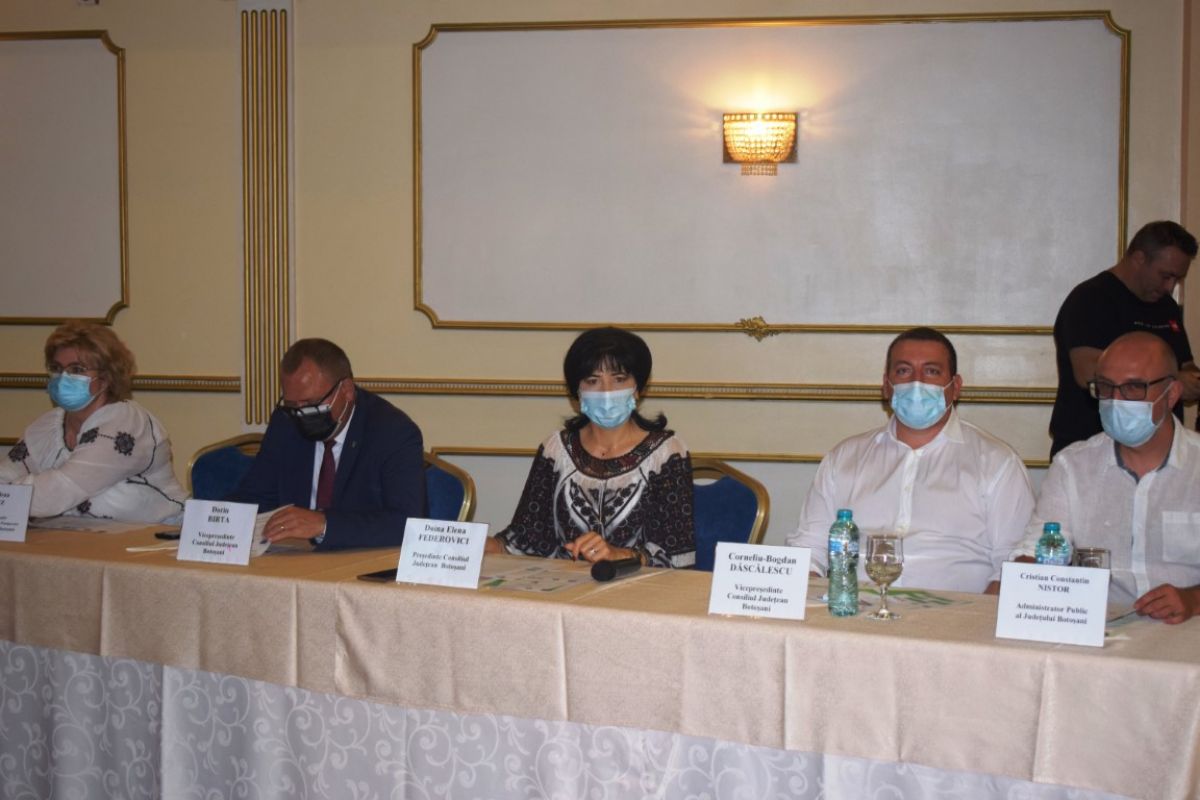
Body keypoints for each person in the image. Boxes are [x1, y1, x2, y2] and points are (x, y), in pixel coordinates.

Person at [788, 327, 1034, 593]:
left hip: (956, 612)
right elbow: (809, 549)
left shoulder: (997, 462)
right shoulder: (844, 458)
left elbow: (1014, 564)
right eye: (904, 371)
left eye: (932, 371)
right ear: (886, 386)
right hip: (857, 610)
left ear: (955, 387)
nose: (917, 383)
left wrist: (973, 618)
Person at [1005, 332, 1200, 622]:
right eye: (1106, 387)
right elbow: (1035, 551)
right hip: (1099, 628)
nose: (1116, 400)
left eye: (1133, 387)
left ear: (1171, 394)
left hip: (1188, 630)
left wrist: (1193, 600)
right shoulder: (1073, 466)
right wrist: (1031, 577)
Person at [486, 327, 695, 568]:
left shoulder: (667, 453)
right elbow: (526, 539)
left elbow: (678, 557)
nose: (606, 392)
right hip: (563, 585)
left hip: (636, 587)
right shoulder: (556, 449)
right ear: (577, 391)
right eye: (592, 381)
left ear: (638, 387)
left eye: (619, 379)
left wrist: (619, 554)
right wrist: (481, 544)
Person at [230, 338, 426, 549]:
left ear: (346, 390)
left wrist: (324, 525)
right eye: (292, 404)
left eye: (311, 403)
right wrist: (215, 520)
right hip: (293, 558)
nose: (301, 413)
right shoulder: (286, 423)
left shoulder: (393, 433)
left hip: (361, 559)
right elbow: (254, 497)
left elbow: (406, 523)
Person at [0, 321, 187, 522]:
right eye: (56, 368)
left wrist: (10, 497)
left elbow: (56, 494)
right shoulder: (47, 426)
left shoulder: (126, 424)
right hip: (76, 537)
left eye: (77, 369)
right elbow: (6, 475)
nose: (63, 377)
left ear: (106, 378)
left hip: (158, 534)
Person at [1049, 220, 1200, 457]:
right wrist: (1168, 380)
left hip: (1159, 453)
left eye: (1176, 279)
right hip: (1090, 450)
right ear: (1139, 258)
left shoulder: (1166, 306)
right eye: (1165, 276)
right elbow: (1087, 371)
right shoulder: (1090, 299)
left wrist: (1191, 380)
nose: (1170, 287)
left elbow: (1184, 364)